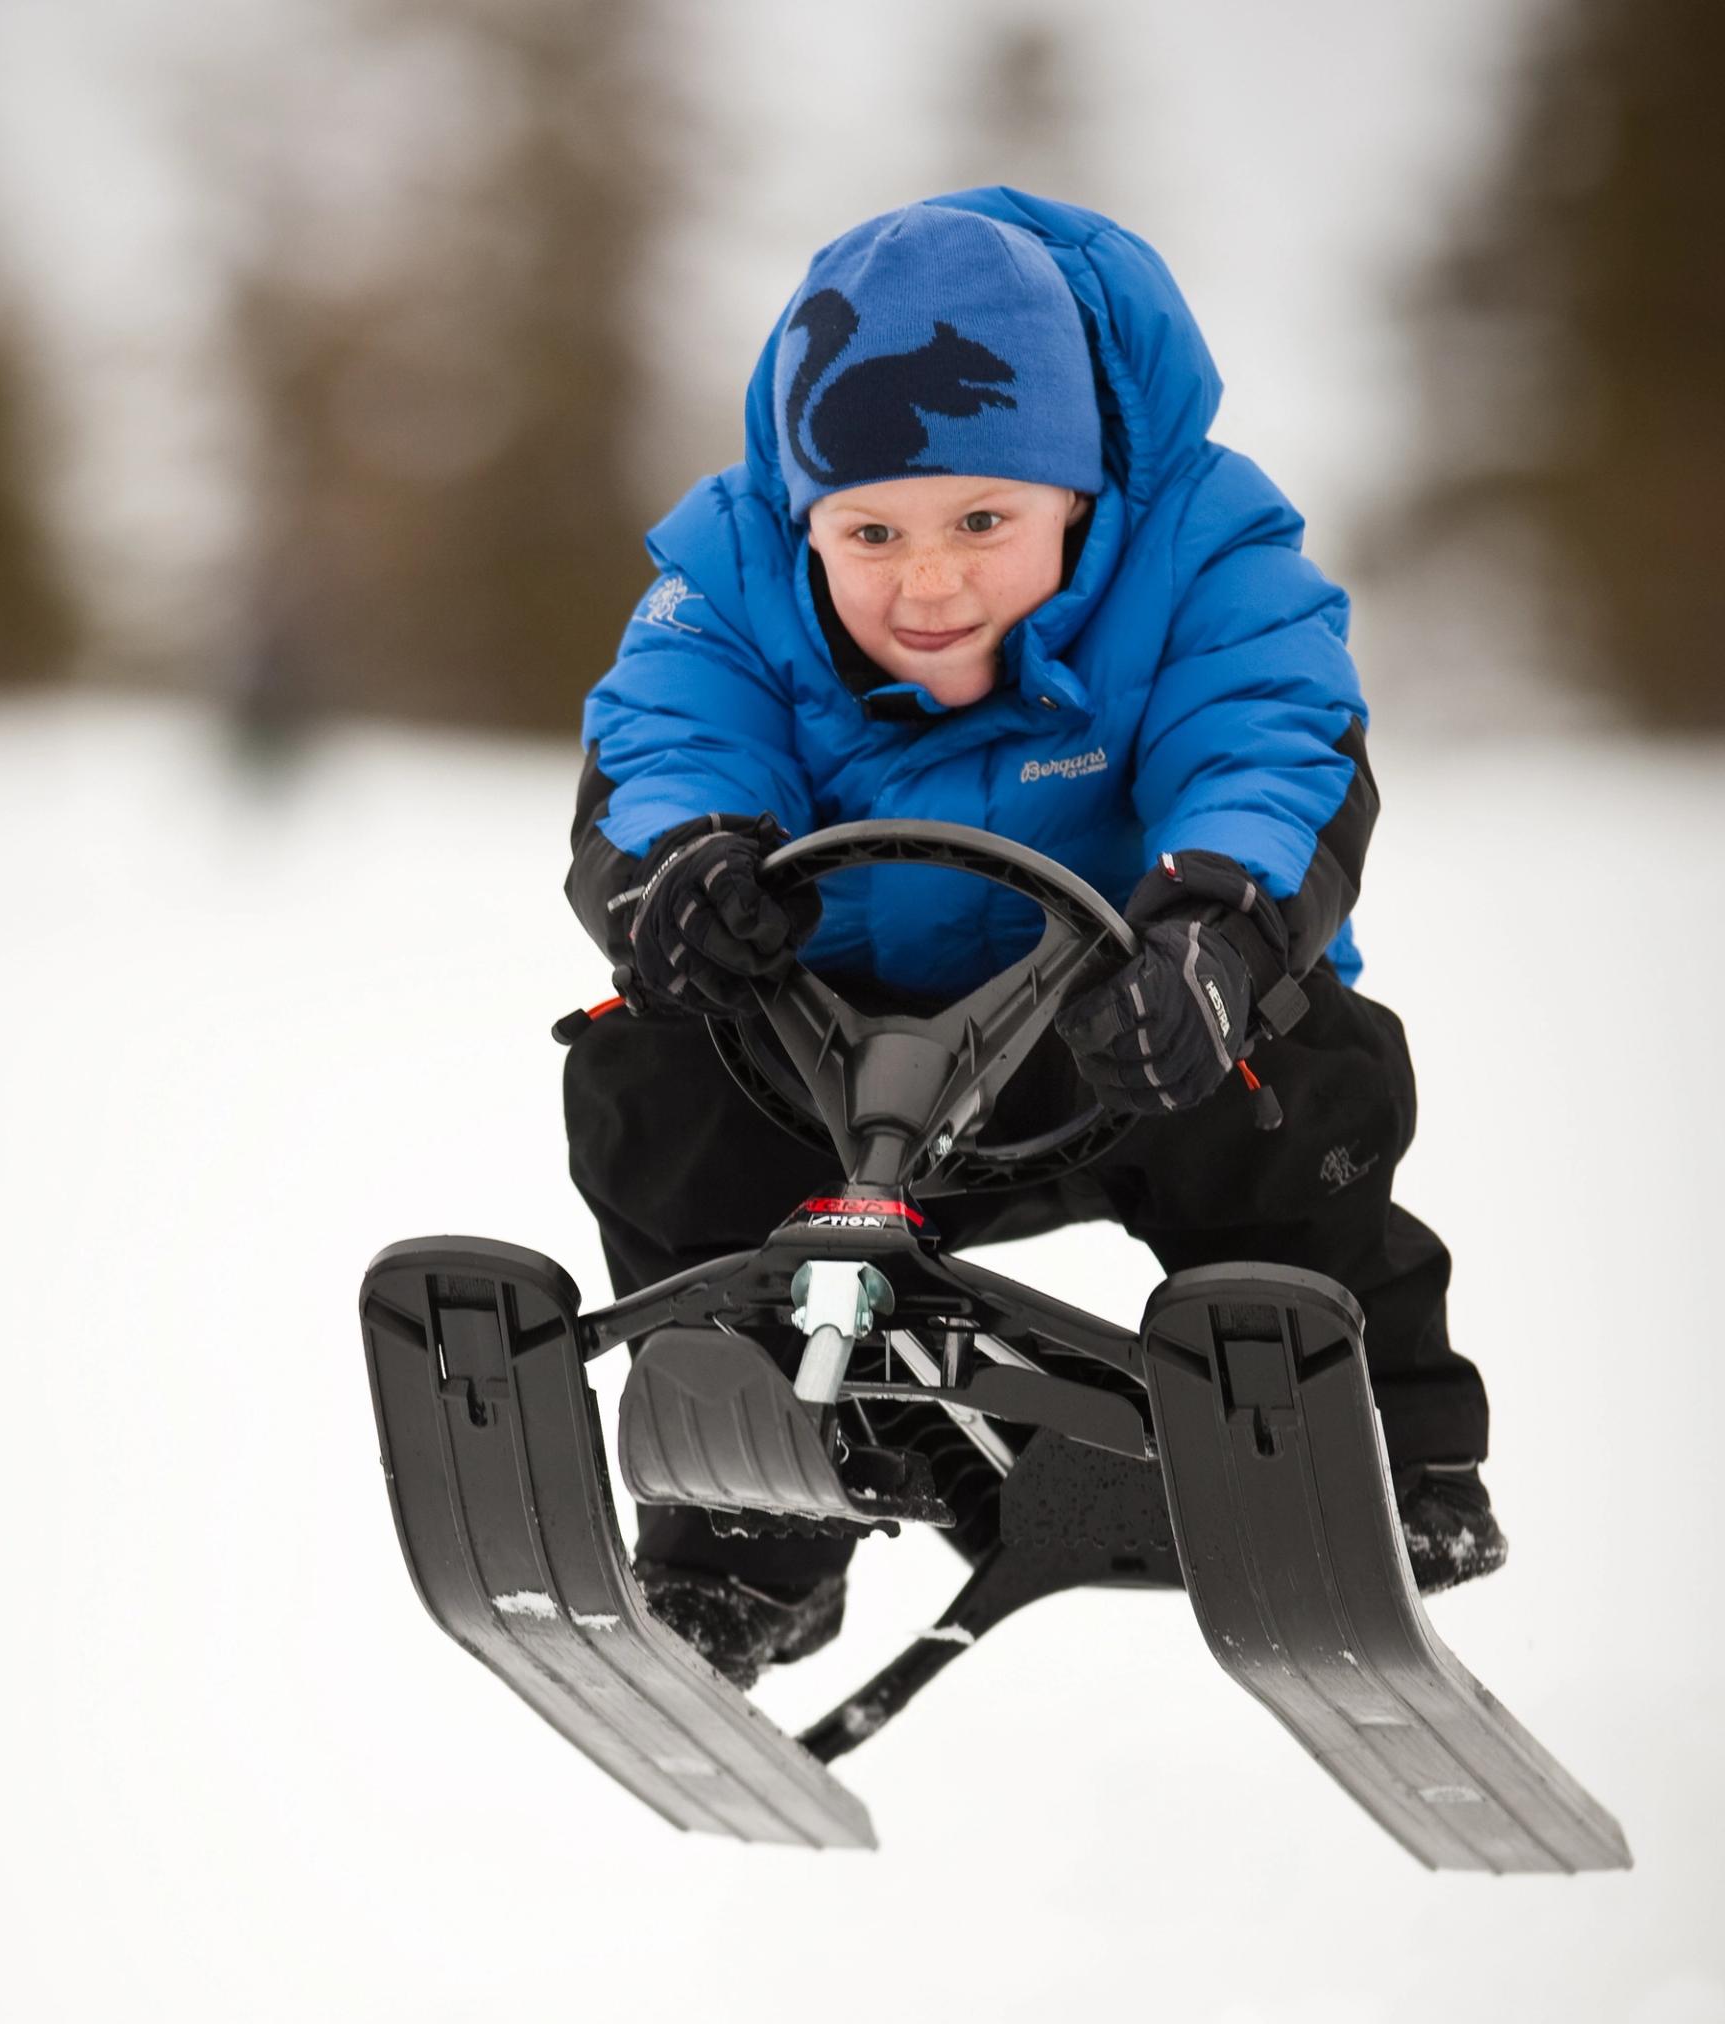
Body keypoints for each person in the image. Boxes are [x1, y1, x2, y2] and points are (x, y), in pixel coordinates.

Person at [561, 190, 1504, 1689]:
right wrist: (682, 873)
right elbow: (668, 739)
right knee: (649, 1074)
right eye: (870, 533)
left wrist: (1216, 931)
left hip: (1127, 1038)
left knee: (1300, 1077)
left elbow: (1272, 742)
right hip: (840, 1068)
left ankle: (1379, 1453)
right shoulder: (729, 573)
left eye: (982, 523)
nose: (926, 583)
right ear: (805, 517)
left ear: (1077, 497)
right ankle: (749, 1524)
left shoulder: (1205, 551)